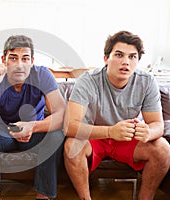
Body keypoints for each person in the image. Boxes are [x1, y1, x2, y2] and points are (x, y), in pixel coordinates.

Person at [63, 30, 170, 200]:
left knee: (163, 149)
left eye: (132, 57)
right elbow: (69, 126)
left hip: (128, 138)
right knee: (72, 146)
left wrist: (149, 132)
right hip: (95, 136)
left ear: (137, 61)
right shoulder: (88, 80)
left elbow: (158, 124)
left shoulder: (146, 81)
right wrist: (110, 131)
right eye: (119, 55)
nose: (126, 62)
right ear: (106, 58)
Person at [0, 35, 65, 200]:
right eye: (13, 58)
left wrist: (32, 126)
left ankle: (44, 195)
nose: (19, 65)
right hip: (2, 131)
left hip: (35, 131)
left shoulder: (42, 75)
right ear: (4, 60)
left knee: (57, 135)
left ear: (32, 61)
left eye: (25, 58)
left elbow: (62, 115)